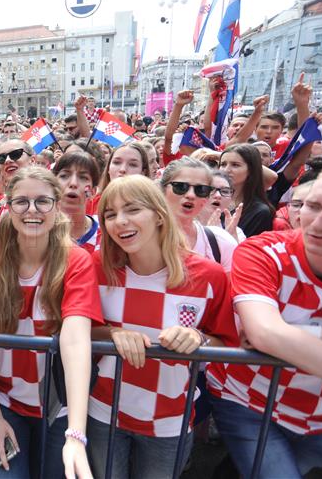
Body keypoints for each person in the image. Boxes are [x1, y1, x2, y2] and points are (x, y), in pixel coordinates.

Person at [87, 175, 237, 479]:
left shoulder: (209, 275)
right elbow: (79, 328)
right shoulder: (97, 266)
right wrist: (113, 334)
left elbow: (228, 343)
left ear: (158, 214)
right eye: (110, 214)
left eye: (131, 209)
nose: (120, 221)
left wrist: (198, 338)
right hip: (102, 411)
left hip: (170, 420)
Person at [206, 166, 322, 479]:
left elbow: (268, 333)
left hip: (321, 421)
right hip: (247, 401)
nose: (319, 222)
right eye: (312, 206)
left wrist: (296, 332)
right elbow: (264, 332)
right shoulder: (263, 251)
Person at [0, 167, 102, 478]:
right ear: (8, 206)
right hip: (6, 403)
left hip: (58, 407)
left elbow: (75, 340)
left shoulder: (77, 260)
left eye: (42, 202)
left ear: (56, 206)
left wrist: (76, 434)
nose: (31, 210)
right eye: (21, 202)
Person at [160, 157, 239, 271]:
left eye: (201, 189)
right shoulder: (142, 238)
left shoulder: (221, 241)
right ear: (163, 190)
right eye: (181, 186)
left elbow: (228, 287)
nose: (191, 195)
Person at [219, 144, 275, 237]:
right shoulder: (210, 199)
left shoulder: (260, 212)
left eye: (235, 165)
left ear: (251, 170)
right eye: (223, 164)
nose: (226, 170)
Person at [53, 151, 102, 252]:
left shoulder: (105, 233)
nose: (73, 183)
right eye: (64, 176)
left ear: (93, 192)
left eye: (83, 177)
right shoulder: (39, 230)